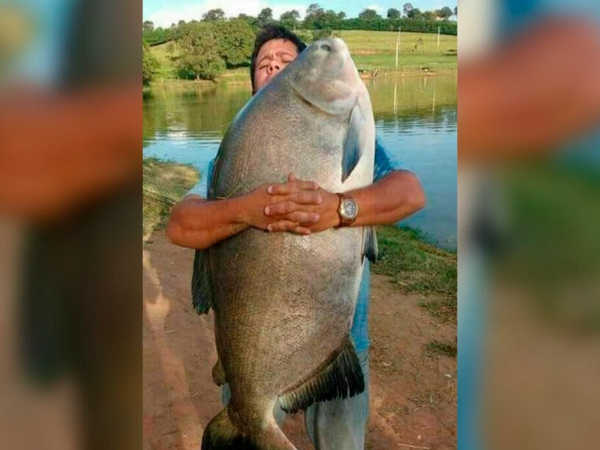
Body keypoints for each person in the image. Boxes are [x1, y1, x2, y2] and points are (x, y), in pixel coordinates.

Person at [167, 25, 426, 449]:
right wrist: (248, 209)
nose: (274, 68)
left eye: (287, 62)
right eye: (264, 64)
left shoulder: (350, 129)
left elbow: (410, 193)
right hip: (251, 359)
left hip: (342, 341)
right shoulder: (230, 153)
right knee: (248, 414)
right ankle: (249, 417)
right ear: (253, 83)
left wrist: (338, 208)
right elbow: (180, 225)